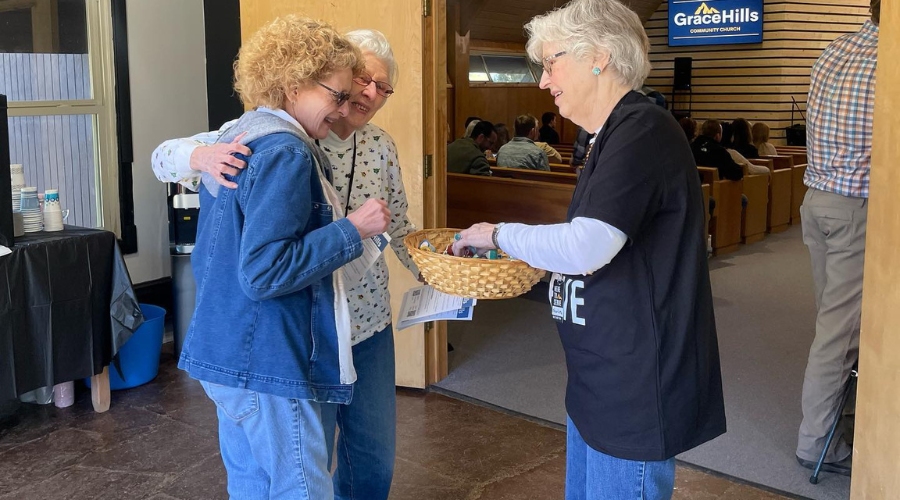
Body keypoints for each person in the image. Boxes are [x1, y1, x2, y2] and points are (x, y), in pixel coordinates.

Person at [454, 0, 726, 497]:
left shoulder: (641, 129)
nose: (542, 81)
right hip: (600, 373)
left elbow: (586, 247)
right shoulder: (610, 133)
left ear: (598, 55)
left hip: (635, 381)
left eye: (551, 61)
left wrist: (498, 234)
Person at [153, 29, 418, 500]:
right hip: (283, 341)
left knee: (259, 479)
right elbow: (266, 271)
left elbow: (397, 227)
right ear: (297, 85)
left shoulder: (259, 134)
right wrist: (353, 229)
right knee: (299, 483)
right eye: (349, 87)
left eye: (383, 88)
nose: (362, 97)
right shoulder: (284, 148)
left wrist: (434, 269)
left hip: (251, 343)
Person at [796, 0, 879, 477]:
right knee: (839, 335)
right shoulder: (888, 62)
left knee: (840, 325)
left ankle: (846, 422)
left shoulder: (834, 49)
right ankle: (818, 443)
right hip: (857, 210)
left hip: (819, 201)